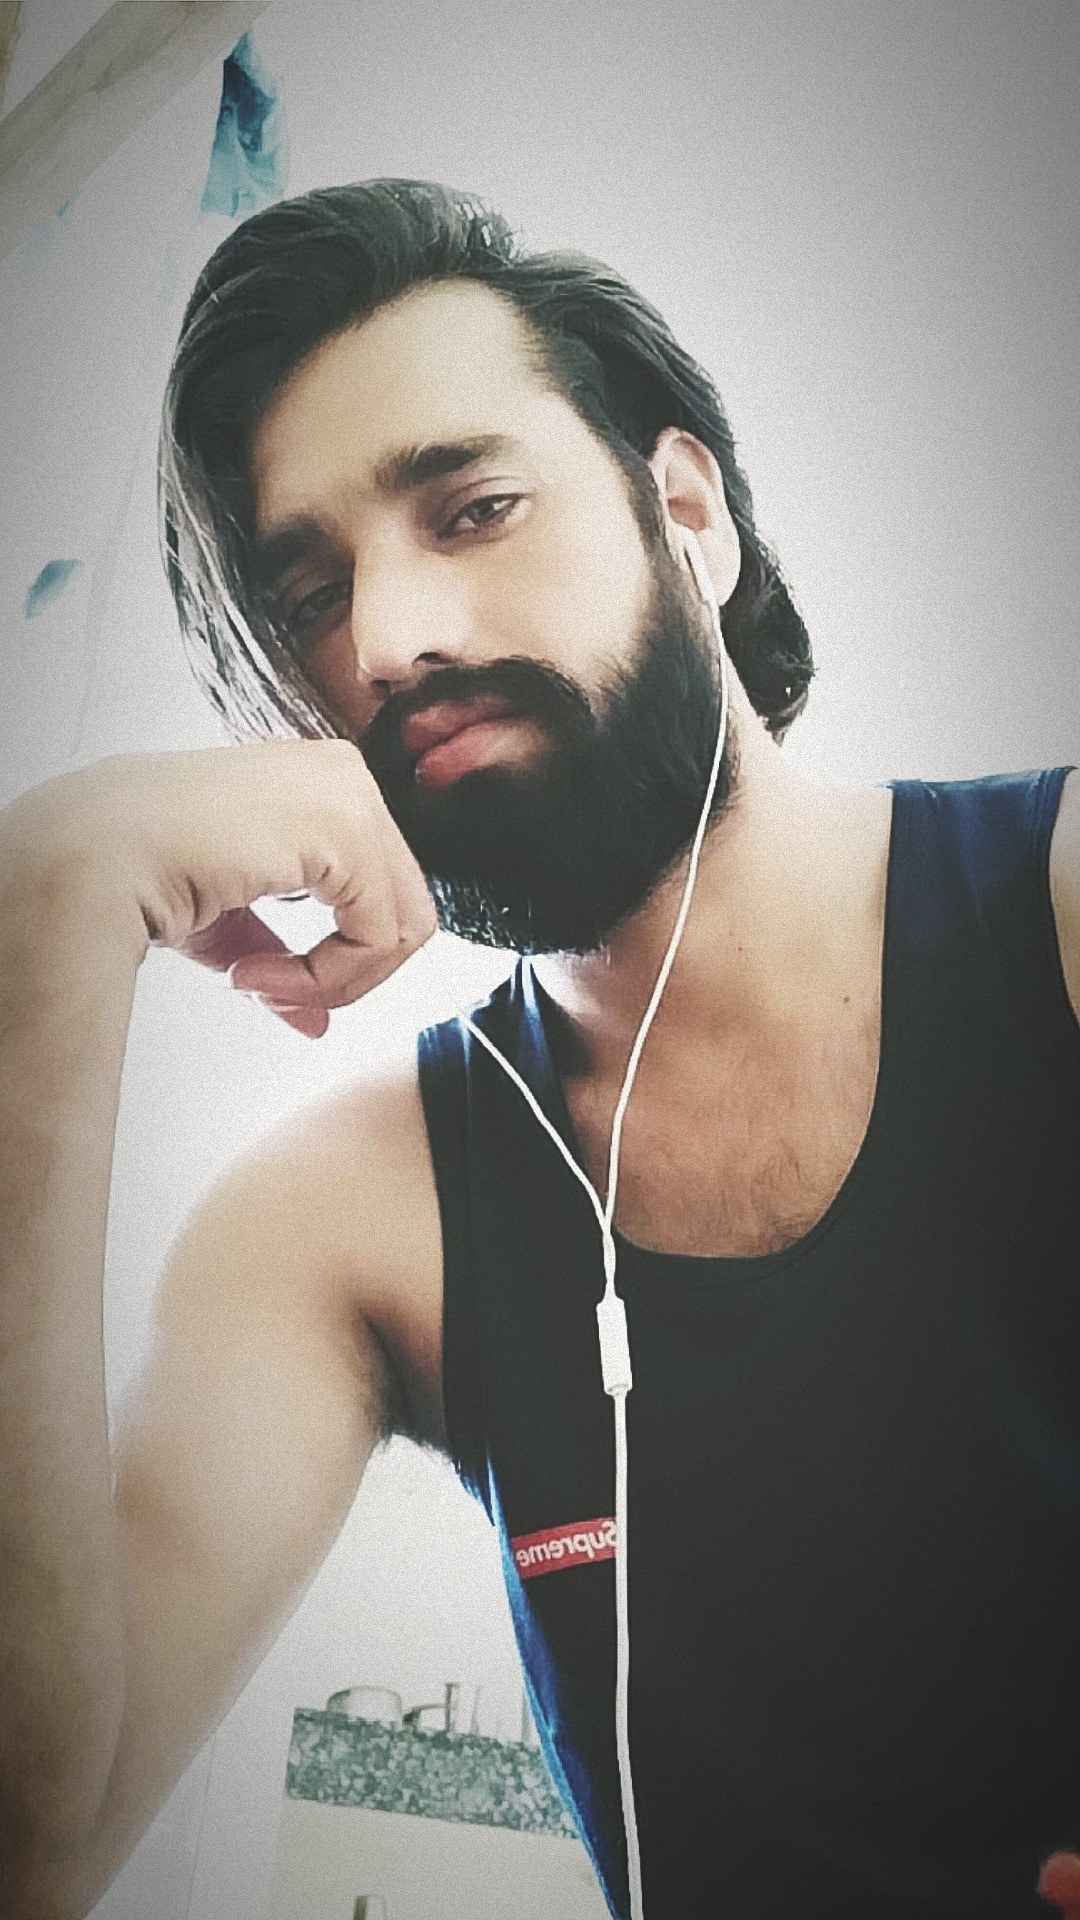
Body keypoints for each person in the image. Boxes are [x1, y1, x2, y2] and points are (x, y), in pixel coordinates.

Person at [1, 178, 1078, 1920]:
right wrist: (47, 908)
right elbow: (31, 1844)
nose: (387, 640)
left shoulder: (1058, 908)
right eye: (313, 593)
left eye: (475, 508)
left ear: (687, 515)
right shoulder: (350, 1220)